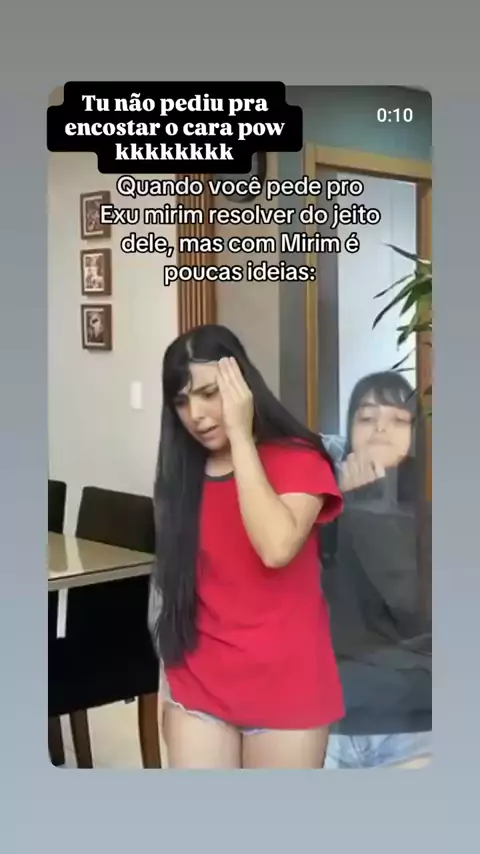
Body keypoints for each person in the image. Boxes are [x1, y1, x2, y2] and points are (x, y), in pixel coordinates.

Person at [148, 324, 344, 769]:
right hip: (198, 682)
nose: (197, 414)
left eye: (210, 393)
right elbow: (177, 587)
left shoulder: (300, 459)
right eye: (182, 401)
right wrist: (167, 685)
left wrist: (240, 436)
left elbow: (276, 547)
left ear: (241, 387)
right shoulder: (181, 477)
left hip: (288, 686)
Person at [321, 372, 432, 769]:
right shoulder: (318, 507)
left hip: (416, 725)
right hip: (328, 722)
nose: (381, 427)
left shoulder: (434, 515)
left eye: (398, 419)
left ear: (417, 435)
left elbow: (411, 607)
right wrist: (344, 507)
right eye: (367, 417)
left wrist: (366, 508)